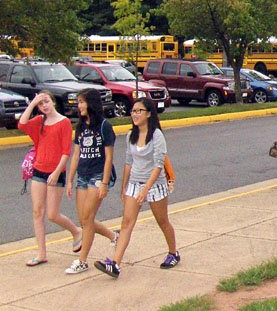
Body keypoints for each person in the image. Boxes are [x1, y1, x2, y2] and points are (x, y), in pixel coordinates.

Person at [94, 98, 179, 278]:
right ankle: (115, 264)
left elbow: (158, 164)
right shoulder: (130, 136)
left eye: (139, 111)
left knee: (162, 221)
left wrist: (146, 189)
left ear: (148, 114)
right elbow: (128, 162)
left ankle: (173, 253)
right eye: (133, 111)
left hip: (154, 185)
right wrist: (124, 187)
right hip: (134, 183)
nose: (135, 114)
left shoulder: (156, 135)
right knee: (126, 223)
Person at [19, 91, 82, 267]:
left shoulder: (64, 122)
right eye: (41, 104)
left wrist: (56, 171)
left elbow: (66, 151)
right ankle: (41, 253)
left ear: (53, 102)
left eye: (46, 102)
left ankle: (76, 231)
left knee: (52, 214)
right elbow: (22, 124)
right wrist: (33, 104)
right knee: (37, 212)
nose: (44, 106)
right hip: (39, 170)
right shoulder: (39, 121)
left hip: (56, 172)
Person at [65, 89, 118, 275]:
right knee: (84, 219)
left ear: (91, 103)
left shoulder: (104, 126)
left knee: (87, 218)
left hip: (98, 175)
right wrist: (70, 180)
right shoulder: (80, 127)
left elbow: (109, 157)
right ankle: (114, 235)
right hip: (83, 175)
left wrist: (104, 183)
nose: (79, 106)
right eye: (78, 102)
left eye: (81, 102)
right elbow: (76, 155)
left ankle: (82, 260)